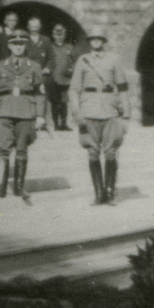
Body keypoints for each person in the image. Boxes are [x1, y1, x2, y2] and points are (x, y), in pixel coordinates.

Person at [68, 29, 130, 205]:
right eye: (93, 39)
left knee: (111, 152)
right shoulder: (82, 61)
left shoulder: (114, 60)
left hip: (110, 109)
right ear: (89, 41)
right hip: (88, 109)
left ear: (103, 40)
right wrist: (76, 112)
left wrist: (126, 115)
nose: (96, 41)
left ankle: (109, 193)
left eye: (99, 39)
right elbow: (73, 89)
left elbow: (123, 88)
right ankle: (99, 193)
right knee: (93, 152)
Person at [0, 31, 46, 205]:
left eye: (21, 44)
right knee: (3, 150)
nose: (18, 47)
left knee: (22, 149)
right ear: (9, 46)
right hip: (4, 111)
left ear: (25, 46)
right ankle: (1, 188)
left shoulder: (34, 66)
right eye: (15, 44)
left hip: (26, 111)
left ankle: (20, 187)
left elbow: (40, 93)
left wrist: (40, 115)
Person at [46, 23, 77, 131]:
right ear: (53, 34)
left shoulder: (69, 47)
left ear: (65, 34)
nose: (59, 36)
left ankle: (64, 124)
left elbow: (75, 61)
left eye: (61, 33)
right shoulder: (49, 46)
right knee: (55, 102)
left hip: (65, 79)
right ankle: (56, 124)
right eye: (56, 33)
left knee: (64, 102)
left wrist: (71, 69)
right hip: (53, 78)